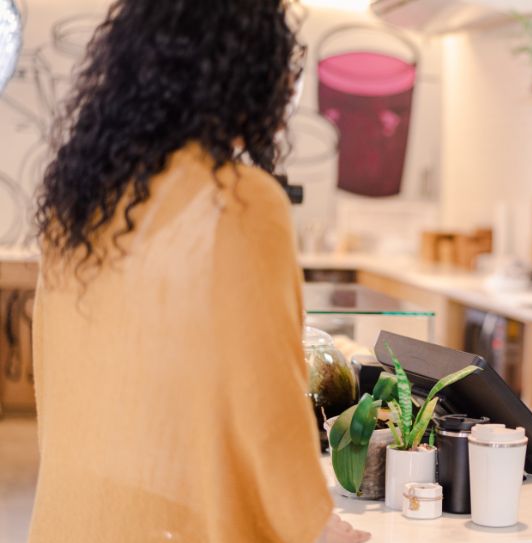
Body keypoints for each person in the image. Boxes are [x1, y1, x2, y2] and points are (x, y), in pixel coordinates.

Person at [30, 1, 368, 542]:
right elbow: (268, 394)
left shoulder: (80, 196)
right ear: (246, 70)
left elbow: (60, 376)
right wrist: (312, 524)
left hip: (76, 515)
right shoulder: (240, 200)